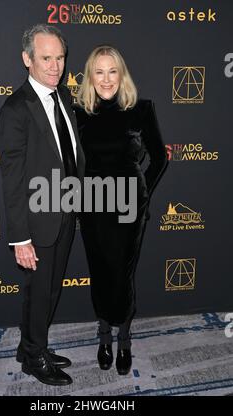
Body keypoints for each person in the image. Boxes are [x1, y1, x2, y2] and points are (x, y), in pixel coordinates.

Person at [0, 24, 85, 386]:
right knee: (39, 293)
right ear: (27, 59)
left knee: (49, 290)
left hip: (65, 213)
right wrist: (20, 238)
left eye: (60, 57)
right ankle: (33, 359)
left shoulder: (63, 97)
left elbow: (71, 154)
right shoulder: (16, 109)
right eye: (46, 58)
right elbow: (13, 179)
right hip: (37, 221)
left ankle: (32, 346)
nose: (55, 65)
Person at [74, 45, 168, 375]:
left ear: (121, 74)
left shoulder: (141, 109)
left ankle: (124, 339)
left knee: (123, 273)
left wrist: (143, 195)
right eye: (99, 71)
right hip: (93, 206)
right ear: (90, 76)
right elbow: (71, 163)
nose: (106, 78)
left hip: (130, 209)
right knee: (100, 271)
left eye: (112, 71)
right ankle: (104, 336)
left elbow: (160, 157)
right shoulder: (78, 112)